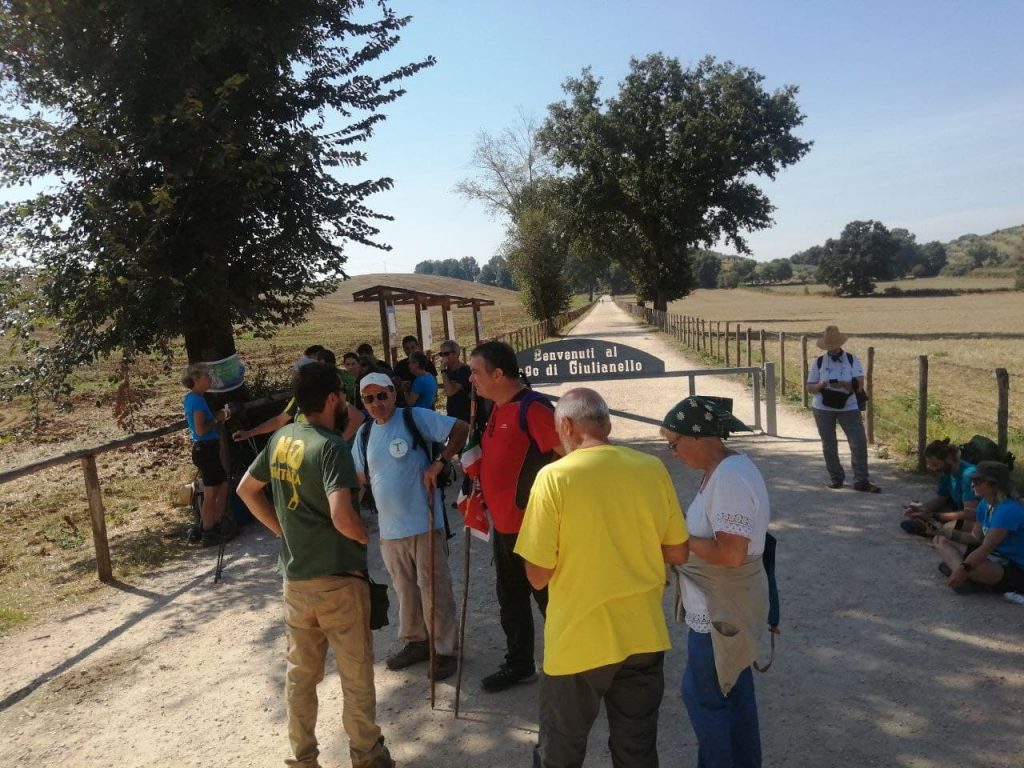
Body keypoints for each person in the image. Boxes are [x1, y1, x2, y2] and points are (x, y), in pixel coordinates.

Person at [516, 388, 689, 768]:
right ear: (607, 424)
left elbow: (538, 576)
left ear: (566, 425)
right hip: (643, 634)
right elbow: (677, 552)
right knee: (637, 750)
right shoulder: (651, 468)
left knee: (560, 752)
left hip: (577, 640)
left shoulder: (553, 478)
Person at [235, 363, 395, 768]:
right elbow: (343, 515)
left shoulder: (282, 438)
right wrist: (362, 535)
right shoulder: (330, 448)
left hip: (295, 581)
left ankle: (302, 758)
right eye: (343, 396)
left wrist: (282, 533)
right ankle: (366, 754)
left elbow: (246, 490)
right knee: (356, 675)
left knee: (301, 677)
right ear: (332, 399)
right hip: (339, 582)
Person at [662, 396, 770, 768]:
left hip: (720, 613)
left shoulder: (729, 478)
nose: (673, 453)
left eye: (674, 443)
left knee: (703, 697)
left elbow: (732, 554)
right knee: (733, 694)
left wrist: (674, 538)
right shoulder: (724, 471)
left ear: (699, 437)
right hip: (723, 608)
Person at [352, 373, 469, 680]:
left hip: (424, 523)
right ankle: (417, 642)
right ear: (362, 402)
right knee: (405, 591)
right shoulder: (364, 434)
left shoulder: (414, 418)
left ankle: (444, 651)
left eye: (381, 396)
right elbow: (360, 476)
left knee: (434, 588)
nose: (376, 403)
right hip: (390, 531)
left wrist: (440, 463)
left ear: (393, 393)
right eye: (369, 398)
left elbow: (461, 429)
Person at [469, 340, 564, 693]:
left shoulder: (534, 409)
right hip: (505, 528)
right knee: (510, 599)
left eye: (476, 372)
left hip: (534, 529)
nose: (472, 379)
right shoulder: (496, 408)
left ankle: (570, 666)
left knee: (551, 602)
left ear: (497, 373)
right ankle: (520, 664)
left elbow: (570, 457)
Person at [931, 461, 1024, 595]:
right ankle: (966, 577)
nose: (972, 484)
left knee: (973, 568)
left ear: (994, 485)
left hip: (1018, 567)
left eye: (978, 481)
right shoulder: (984, 504)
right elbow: (975, 537)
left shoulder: (1007, 510)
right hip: (999, 557)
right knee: (939, 541)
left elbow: (986, 548)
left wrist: (963, 568)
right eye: (973, 480)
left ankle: (961, 574)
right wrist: (944, 532)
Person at [805, 325, 880, 493]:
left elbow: (860, 384)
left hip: (849, 405)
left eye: (833, 346)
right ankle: (836, 477)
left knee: (858, 442)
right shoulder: (818, 362)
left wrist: (845, 385)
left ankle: (861, 480)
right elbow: (809, 387)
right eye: (828, 347)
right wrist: (820, 385)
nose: (831, 350)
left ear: (839, 344)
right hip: (823, 407)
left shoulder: (852, 359)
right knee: (829, 444)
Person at [234, 353, 364, 444]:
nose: (295, 377)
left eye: (298, 374)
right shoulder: (299, 399)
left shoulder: (329, 398)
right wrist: (250, 433)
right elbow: (280, 420)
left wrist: (339, 442)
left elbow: (357, 416)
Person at [182, 362, 229, 546]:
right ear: (196, 379)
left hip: (207, 448)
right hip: (205, 448)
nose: (210, 379)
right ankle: (208, 532)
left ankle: (215, 523)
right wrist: (218, 418)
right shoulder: (197, 401)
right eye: (206, 376)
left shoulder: (193, 398)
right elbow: (200, 430)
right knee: (211, 493)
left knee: (222, 484)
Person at [901, 438, 978, 536]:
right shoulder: (946, 474)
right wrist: (923, 509)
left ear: (948, 458)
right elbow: (940, 499)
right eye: (931, 466)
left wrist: (934, 516)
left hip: (981, 520)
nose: (934, 469)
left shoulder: (968, 475)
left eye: (936, 465)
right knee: (936, 513)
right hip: (961, 512)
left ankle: (933, 529)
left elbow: (971, 514)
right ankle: (930, 526)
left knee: (950, 525)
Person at [437, 340, 472, 424]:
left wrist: (442, 371)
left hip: (465, 417)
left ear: (456, 354)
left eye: (446, 354)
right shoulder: (448, 371)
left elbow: (450, 392)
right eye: (441, 354)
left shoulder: (465, 370)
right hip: (452, 415)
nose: (444, 357)